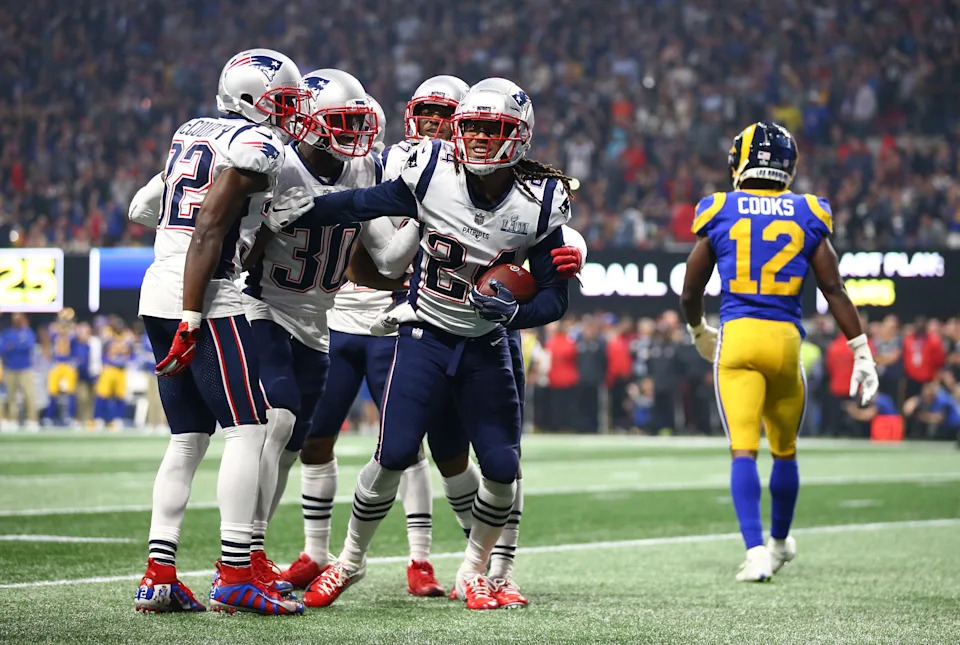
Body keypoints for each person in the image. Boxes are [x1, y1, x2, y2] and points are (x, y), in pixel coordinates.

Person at [296, 78, 573, 610]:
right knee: (395, 451)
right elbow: (358, 203)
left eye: (495, 130)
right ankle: (348, 562)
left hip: (486, 343)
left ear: (520, 137)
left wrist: (516, 312)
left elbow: (555, 300)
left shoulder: (540, 203)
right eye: (472, 128)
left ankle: (476, 572)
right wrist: (298, 211)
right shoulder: (430, 173)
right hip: (423, 333)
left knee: (499, 462)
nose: (481, 140)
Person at [131, 48, 308, 615]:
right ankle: (235, 570)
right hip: (203, 293)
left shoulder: (194, 129)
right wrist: (193, 313)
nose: (289, 114)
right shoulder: (256, 144)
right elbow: (210, 223)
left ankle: (159, 572)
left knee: (187, 438)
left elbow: (142, 207)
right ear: (252, 101)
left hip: (157, 284)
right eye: (282, 102)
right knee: (249, 430)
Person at [239, 71, 423, 594]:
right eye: (341, 122)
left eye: (359, 122)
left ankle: (253, 551)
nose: (354, 134)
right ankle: (246, 553)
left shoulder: (362, 166)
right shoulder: (275, 160)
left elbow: (383, 262)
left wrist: (421, 220)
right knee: (277, 422)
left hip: (318, 320)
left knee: (296, 440)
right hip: (263, 305)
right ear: (308, 121)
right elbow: (229, 236)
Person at [277, 76, 458, 599]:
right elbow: (363, 244)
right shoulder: (382, 159)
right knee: (314, 437)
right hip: (339, 318)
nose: (431, 122)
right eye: (424, 111)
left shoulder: (461, 174)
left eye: (443, 114)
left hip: (401, 320)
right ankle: (315, 552)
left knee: (405, 446)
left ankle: (420, 560)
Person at [680, 121, 879, 582]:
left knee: (743, 451)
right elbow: (834, 288)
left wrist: (697, 331)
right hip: (786, 341)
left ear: (740, 161)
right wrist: (862, 350)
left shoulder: (720, 208)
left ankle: (755, 553)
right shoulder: (808, 210)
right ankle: (779, 541)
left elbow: (691, 287)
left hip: (739, 337)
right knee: (785, 451)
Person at [1, 313, 38, 428]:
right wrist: (18, 346)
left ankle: (32, 420)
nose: (16, 319)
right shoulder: (7, 333)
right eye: (14, 318)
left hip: (26, 368)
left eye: (19, 317)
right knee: (10, 395)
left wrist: (14, 346)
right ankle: (11, 420)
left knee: (29, 395)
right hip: (10, 368)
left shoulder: (27, 332)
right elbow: (2, 348)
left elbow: (29, 346)